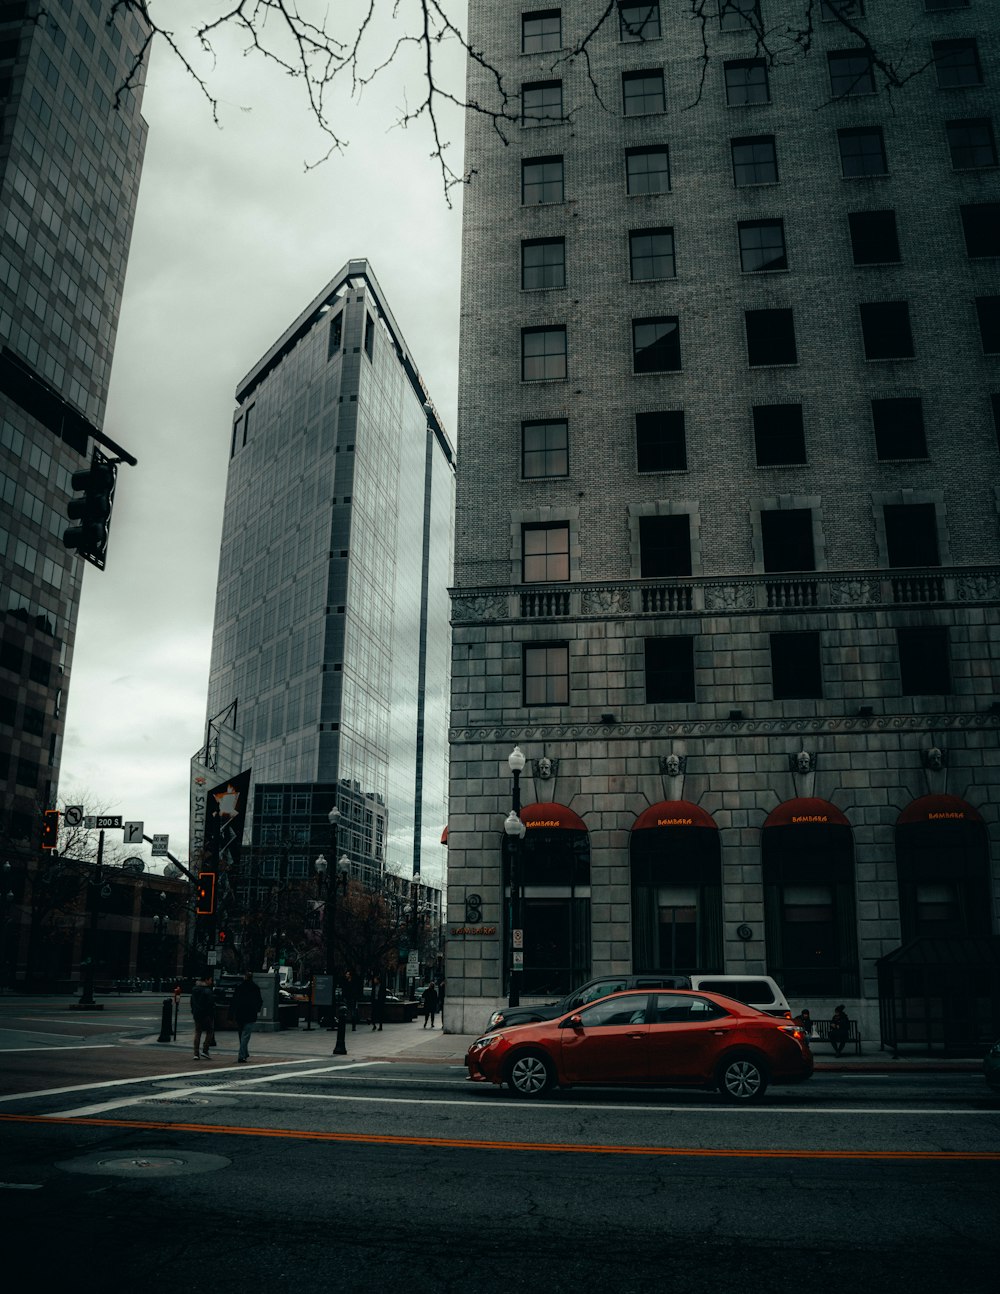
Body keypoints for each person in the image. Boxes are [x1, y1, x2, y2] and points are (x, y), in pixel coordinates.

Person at [231, 971, 263, 1063]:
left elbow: (234, 1001)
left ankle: (244, 1053)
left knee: (241, 1035)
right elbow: (259, 1001)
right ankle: (242, 1055)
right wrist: (257, 1009)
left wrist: (231, 1014)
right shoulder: (255, 988)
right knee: (245, 1036)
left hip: (240, 1014)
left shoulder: (239, 987)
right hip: (250, 1014)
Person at [190, 974, 215, 1060]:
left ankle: (196, 1053)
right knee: (210, 1031)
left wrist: (193, 1011)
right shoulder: (207, 991)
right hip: (206, 1014)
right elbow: (210, 1003)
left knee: (198, 1032)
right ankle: (205, 1049)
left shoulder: (194, 989)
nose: (211, 982)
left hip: (197, 1014)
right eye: (210, 980)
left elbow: (192, 1002)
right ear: (206, 980)